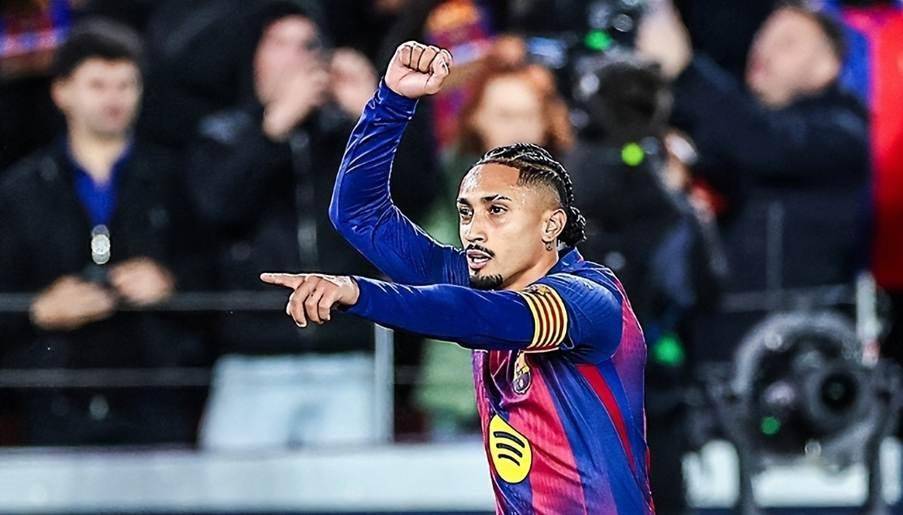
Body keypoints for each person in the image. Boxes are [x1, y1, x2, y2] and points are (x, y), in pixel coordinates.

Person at [263, 41, 654, 513]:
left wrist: (358, 291)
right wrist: (392, 101)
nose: (475, 230)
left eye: (497, 211)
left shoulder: (589, 300)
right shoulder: (478, 276)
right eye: (467, 213)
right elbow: (359, 214)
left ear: (551, 224)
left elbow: (480, 317)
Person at [0, 19, 206, 446]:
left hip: (156, 400)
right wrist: (36, 311)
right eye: (97, 85)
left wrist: (170, 283)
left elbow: (212, 266)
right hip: (54, 402)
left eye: (125, 84)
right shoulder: (21, 189)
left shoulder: (173, 179)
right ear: (62, 92)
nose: (114, 99)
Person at [637, 0, 870, 360]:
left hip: (798, 354)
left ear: (826, 66)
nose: (764, 49)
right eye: (762, 37)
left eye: (787, 43)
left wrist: (687, 71)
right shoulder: (738, 131)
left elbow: (765, 142)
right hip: (714, 350)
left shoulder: (844, 131)